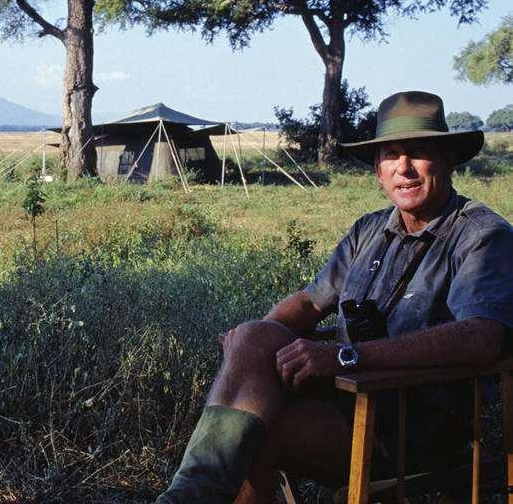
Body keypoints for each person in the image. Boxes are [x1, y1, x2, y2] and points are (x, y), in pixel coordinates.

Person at [155, 90, 513, 504]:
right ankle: (186, 496)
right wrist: (250, 348)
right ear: (378, 172)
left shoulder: (482, 236)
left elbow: (482, 338)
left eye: (419, 152)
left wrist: (346, 357)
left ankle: (191, 496)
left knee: (250, 438)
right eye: (392, 155)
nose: (404, 168)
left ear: (449, 161)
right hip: (346, 404)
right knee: (254, 337)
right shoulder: (369, 231)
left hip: (413, 427)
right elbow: (310, 303)